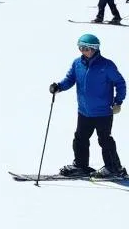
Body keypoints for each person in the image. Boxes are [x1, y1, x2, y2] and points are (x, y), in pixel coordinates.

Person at [49, 34, 126, 178]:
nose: (83, 51)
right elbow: (70, 79)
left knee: (104, 139)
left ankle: (113, 167)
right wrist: (59, 87)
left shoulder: (106, 65)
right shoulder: (77, 63)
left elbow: (120, 83)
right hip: (84, 111)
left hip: (103, 112)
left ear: (95, 49)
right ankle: (80, 165)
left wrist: (118, 102)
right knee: (80, 138)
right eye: (81, 48)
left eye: (86, 48)